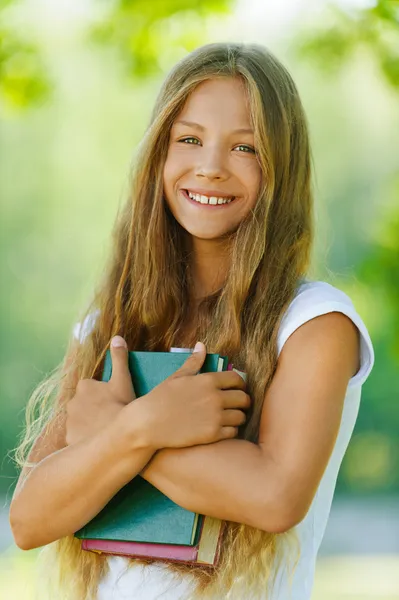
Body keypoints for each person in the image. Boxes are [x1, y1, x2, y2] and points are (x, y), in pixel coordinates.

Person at [9, 42, 374, 600]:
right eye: (189, 139)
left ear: (280, 166)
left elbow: (274, 497)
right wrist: (143, 426)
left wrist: (114, 430)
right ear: (159, 153)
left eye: (245, 147)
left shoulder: (313, 323)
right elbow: (29, 519)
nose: (210, 166)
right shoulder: (108, 321)